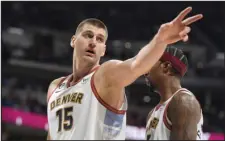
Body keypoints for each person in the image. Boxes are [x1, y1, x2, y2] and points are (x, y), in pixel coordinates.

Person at [46, 7, 203, 140]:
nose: (93, 42)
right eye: (88, 35)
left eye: (99, 39)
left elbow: (136, 65)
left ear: (104, 50)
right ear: (73, 40)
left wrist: (160, 40)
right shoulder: (55, 87)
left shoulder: (106, 74)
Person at [145, 46, 203, 140]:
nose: (145, 72)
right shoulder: (152, 113)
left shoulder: (184, 102)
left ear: (166, 67)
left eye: (150, 63)